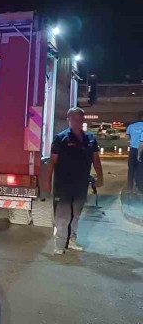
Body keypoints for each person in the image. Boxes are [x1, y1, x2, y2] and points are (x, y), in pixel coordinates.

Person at [44, 107, 103, 255]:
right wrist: (47, 181)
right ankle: (60, 244)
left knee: (76, 214)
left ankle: (71, 240)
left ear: (83, 120)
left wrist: (100, 177)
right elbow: (52, 162)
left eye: (79, 119)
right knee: (63, 215)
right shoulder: (60, 138)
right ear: (68, 120)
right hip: (63, 184)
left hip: (81, 183)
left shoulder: (90, 138)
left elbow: (96, 159)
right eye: (73, 119)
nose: (76, 122)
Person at [124, 116, 143, 192]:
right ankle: (140, 187)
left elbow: (126, 137)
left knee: (131, 168)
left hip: (133, 149)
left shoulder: (131, 126)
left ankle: (130, 186)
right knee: (140, 169)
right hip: (141, 150)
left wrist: (132, 139)